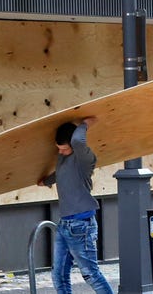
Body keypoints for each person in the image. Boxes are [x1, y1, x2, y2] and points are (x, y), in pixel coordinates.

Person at [38, 116, 115, 294]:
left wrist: (86, 124)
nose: (61, 152)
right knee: (58, 275)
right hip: (65, 224)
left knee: (90, 274)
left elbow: (78, 139)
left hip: (82, 225)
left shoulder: (85, 160)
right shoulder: (63, 157)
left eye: (64, 149)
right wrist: (46, 181)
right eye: (59, 149)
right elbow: (61, 174)